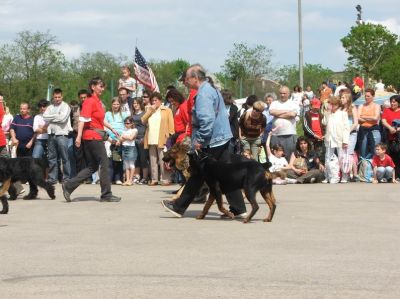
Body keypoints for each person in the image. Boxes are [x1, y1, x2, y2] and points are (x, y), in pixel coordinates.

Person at [161, 64, 247, 218]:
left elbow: (206, 121)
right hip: (220, 138)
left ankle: (178, 206)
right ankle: (239, 207)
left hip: (211, 141)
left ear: (195, 78)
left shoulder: (203, 94)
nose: (185, 82)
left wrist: (199, 141)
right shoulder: (211, 89)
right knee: (222, 174)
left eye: (186, 79)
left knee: (197, 173)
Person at [62, 77, 121, 202]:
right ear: (93, 87)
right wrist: (78, 137)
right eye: (100, 86)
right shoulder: (89, 101)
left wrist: (111, 128)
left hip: (93, 136)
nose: (102, 88)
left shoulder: (98, 102)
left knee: (92, 167)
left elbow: (99, 120)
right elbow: (83, 119)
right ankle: (106, 194)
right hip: (92, 137)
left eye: (103, 86)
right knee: (104, 162)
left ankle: (68, 185)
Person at [141, 92, 174, 186]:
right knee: (152, 160)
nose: (154, 102)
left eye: (156, 100)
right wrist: (150, 110)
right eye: (152, 100)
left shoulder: (166, 110)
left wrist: (170, 137)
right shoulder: (149, 109)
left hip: (162, 138)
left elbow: (171, 125)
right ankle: (154, 179)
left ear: (160, 101)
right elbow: (143, 120)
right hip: (151, 138)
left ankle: (165, 179)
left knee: (163, 159)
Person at [43, 88, 72, 184]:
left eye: (59, 97)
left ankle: (66, 178)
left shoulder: (66, 106)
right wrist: (56, 115)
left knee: (65, 158)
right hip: (51, 135)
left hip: (62, 135)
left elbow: (63, 119)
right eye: (55, 97)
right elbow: (44, 117)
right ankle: (52, 178)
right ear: (53, 97)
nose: (57, 99)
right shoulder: (50, 107)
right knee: (52, 158)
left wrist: (51, 118)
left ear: (62, 96)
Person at [322, 96, 350, 183]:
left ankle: (344, 176)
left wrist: (345, 140)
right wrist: (326, 113)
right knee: (328, 158)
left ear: (337, 105)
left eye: (333, 104)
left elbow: (346, 128)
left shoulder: (343, 114)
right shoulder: (328, 114)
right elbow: (324, 123)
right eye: (330, 104)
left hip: (339, 139)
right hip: (329, 139)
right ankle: (328, 176)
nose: (331, 105)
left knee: (342, 158)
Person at [269, 86, 299, 161]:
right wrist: (286, 111)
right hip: (276, 135)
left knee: (289, 156)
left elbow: (292, 115)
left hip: (289, 134)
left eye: (284, 93)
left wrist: (278, 114)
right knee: (275, 157)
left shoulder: (293, 103)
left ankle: (289, 171)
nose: (282, 95)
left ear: (289, 94)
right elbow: (272, 112)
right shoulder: (274, 103)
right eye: (281, 93)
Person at [105, 97, 128, 185]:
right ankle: (110, 178)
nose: (116, 106)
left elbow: (126, 127)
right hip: (110, 139)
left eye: (117, 104)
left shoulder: (124, 114)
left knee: (118, 159)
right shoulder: (107, 114)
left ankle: (118, 178)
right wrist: (110, 139)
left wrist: (120, 139)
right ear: (111, 105)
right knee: (110, 160)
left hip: (120, 139)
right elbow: (105, 127)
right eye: (114, 104)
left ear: (120, 105)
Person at [340, 90, 359, 181]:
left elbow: (355, 123)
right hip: (342, 134)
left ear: (348, 98)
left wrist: (347, 131)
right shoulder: (340, 109)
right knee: (344, 154)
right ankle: (346, 173)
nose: (341, 99)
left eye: (343, 97)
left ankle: (355, 174)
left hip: (351, 134)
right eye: (341, 97)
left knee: (349, 153)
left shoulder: (353, 107)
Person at [357, 88, 381, 159]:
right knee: (363, 150)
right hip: (363, 130)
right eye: (365, 96)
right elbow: (358, 118)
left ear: (373, 96)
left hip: (374, 130)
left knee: (375, 150)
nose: (366, 98)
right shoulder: (361, 106)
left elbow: (376, 118)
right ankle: (364, 166)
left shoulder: (377, 106)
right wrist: (371, 118)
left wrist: (363, 117)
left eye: (368, 96)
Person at [381, 95, 400, 178]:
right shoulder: (386, 110)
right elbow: (383, 121)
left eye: (394, 102)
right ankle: (390, 176)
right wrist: (390, 128)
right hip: (388, 137)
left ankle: (398, 175)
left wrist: (397, 129)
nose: (392, 103)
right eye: (391, 102)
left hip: (398, 137)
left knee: (398, 157)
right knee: (389, 156)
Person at [131, 97, 149, 184]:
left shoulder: (145, 113)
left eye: (137, 103)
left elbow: (147, 127)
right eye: (134, 103)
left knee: (143, 158)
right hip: (134, 138)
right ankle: (137, 176)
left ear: (140, 104)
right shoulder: (132, 114)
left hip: (143, 138)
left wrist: (145, 138)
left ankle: (145, 177)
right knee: (136, 158)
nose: (135, 105)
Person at [119, 116, 138, 186]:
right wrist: (125, 137)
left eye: (128, 123)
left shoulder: (135, 130)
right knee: (126, 164)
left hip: (131, 148)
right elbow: (121, 139)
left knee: (131, 164)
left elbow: (131, 138)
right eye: (125, 123)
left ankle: (131, 180)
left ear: (132, 123)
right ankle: (127, 180)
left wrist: (124, 137)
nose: (126, 124)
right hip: (124, 147)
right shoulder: (123, 130)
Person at [221, 89, 239, 154]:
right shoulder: (219, 107)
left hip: (230, 134)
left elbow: (229, 120)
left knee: (229, 153)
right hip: (220, 135)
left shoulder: (233, 108)